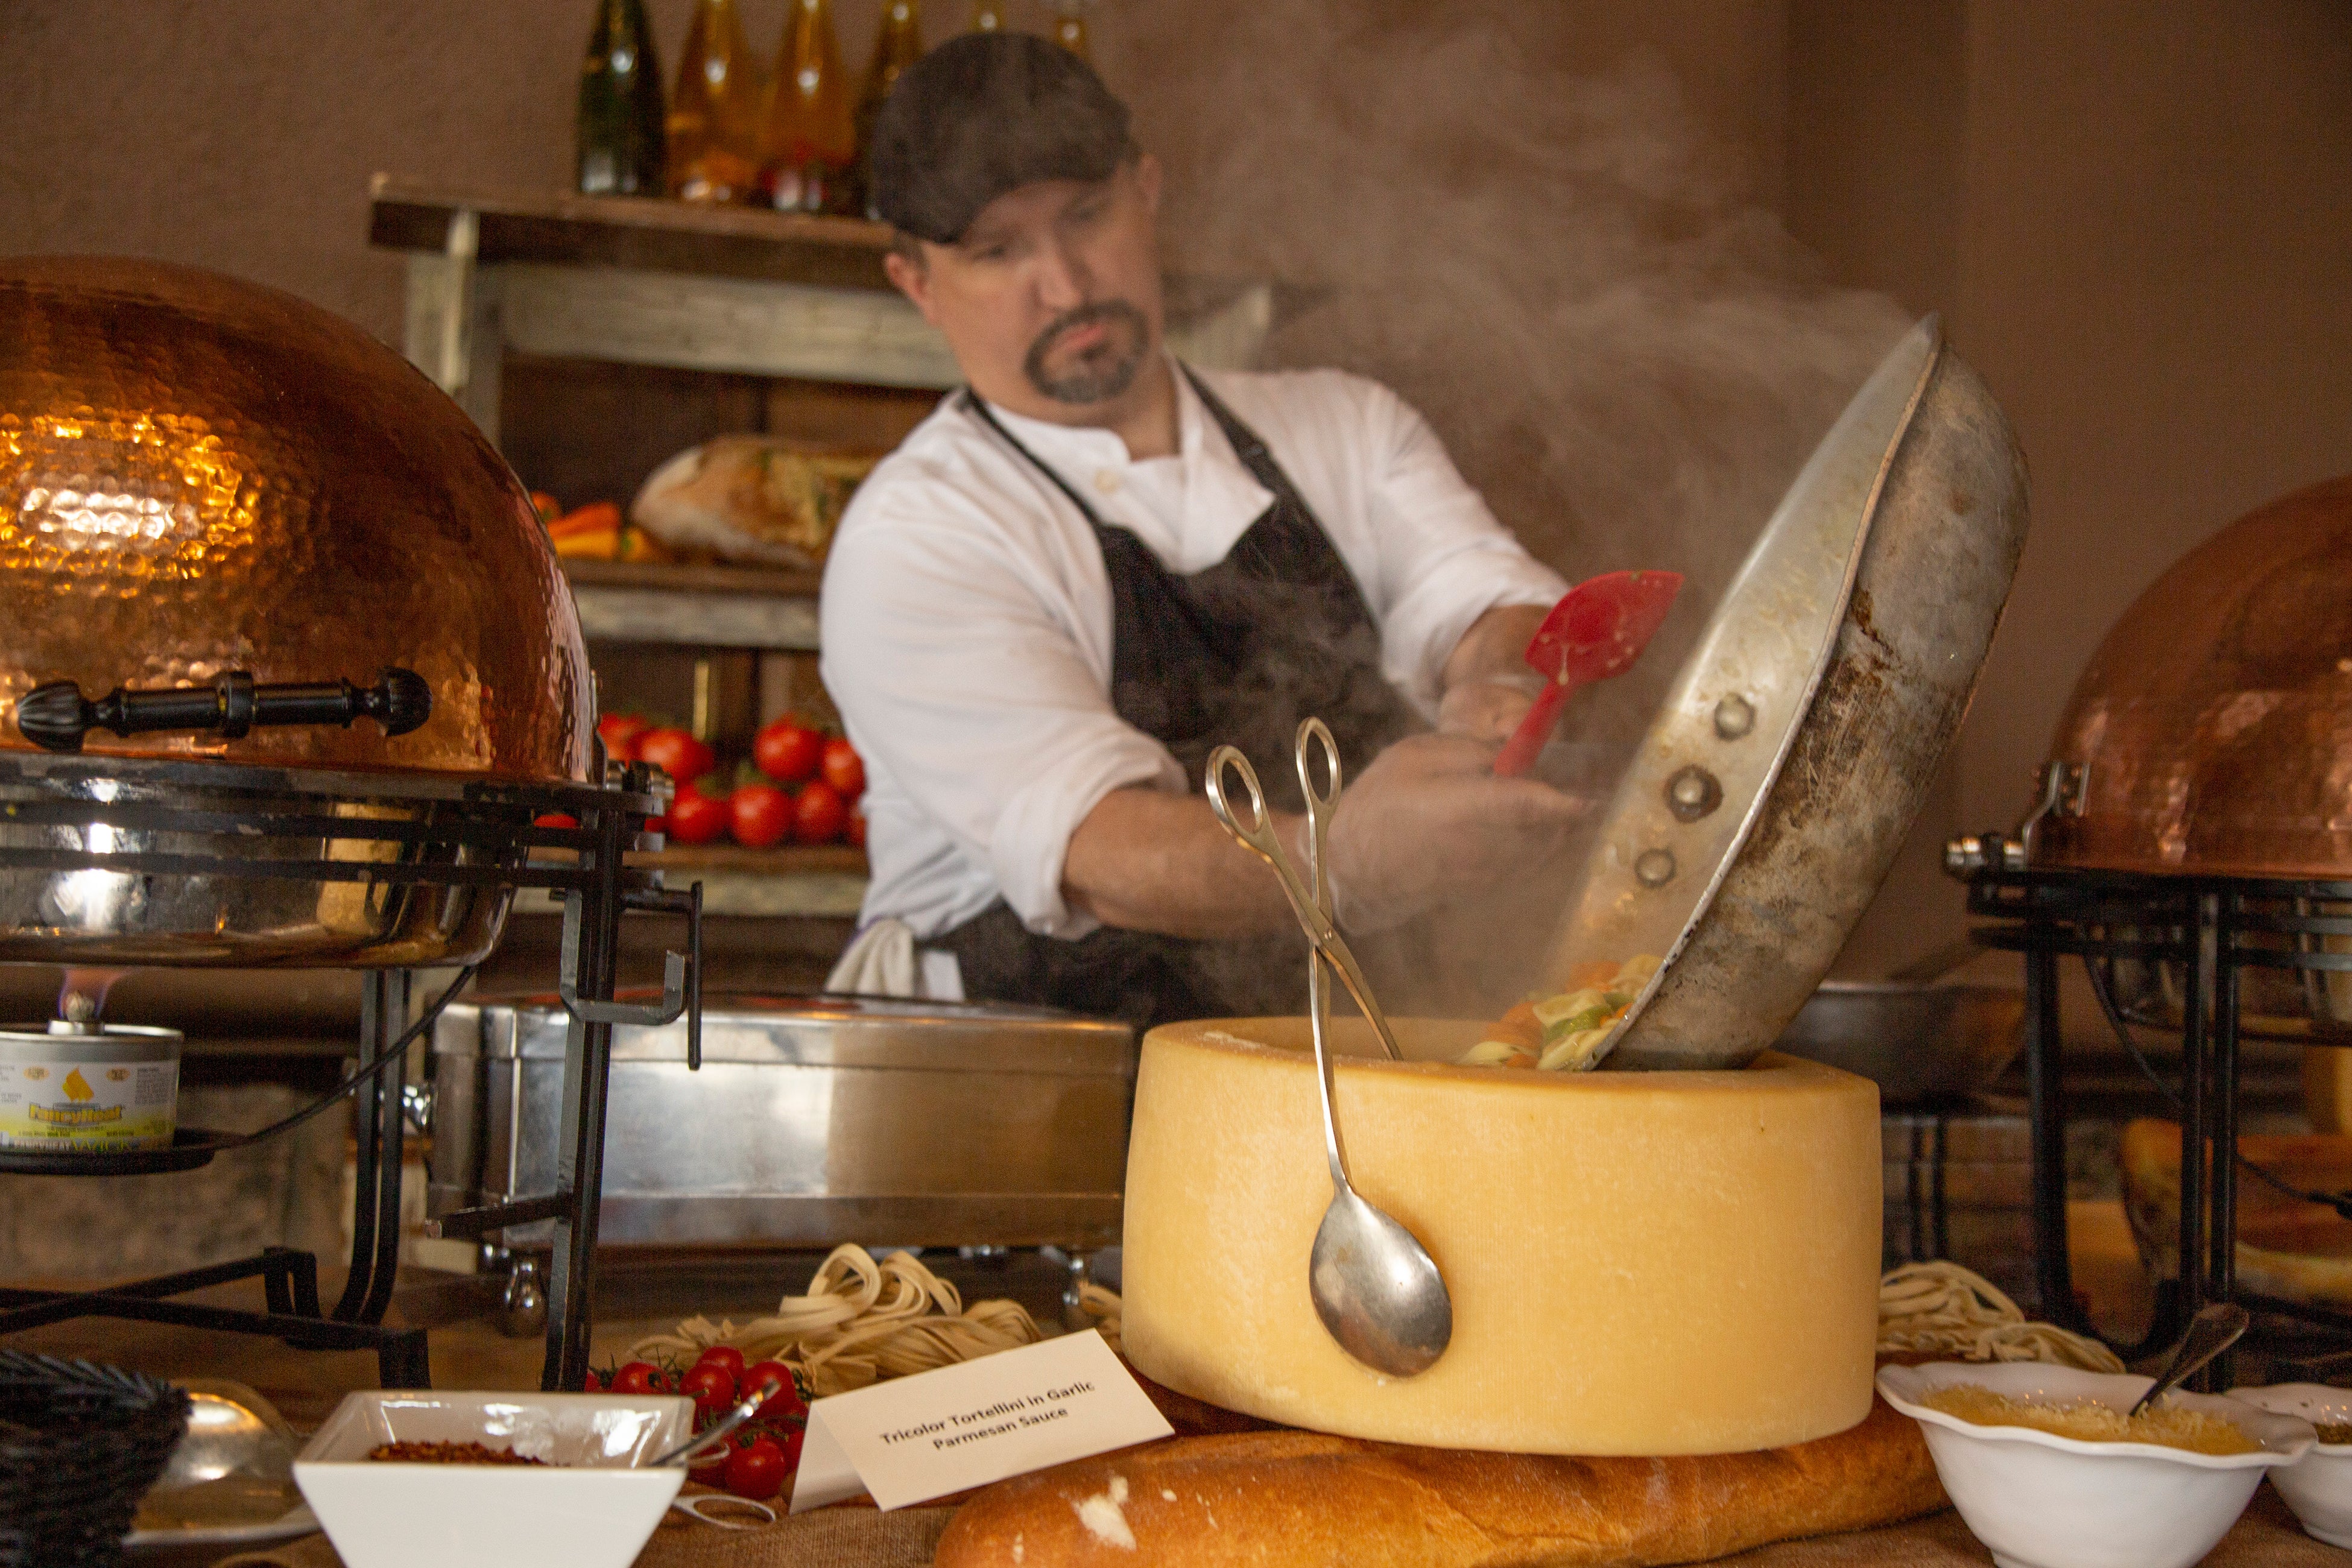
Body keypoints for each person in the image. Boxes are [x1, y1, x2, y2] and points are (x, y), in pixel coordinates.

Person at [820, 33, 1584, 1028]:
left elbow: (1487, 598)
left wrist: (1496, 687)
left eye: (1086, 216)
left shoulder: (1343, 423)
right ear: (917, 284)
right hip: (1028, 1083)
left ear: (1147, 190)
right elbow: (1101, 856)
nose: (1063, 284)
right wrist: (1346, 860)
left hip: (1344, 1042)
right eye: (996, 252)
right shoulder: (919, 534)